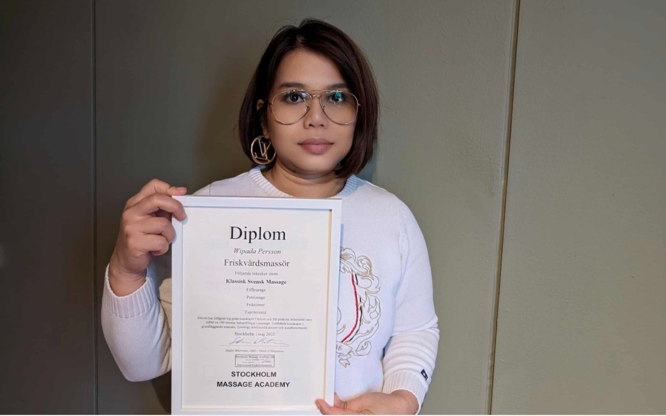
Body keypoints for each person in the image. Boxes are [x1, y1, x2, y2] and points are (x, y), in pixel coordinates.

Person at [102, 18, 438, 415]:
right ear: (263, 115)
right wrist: (126, 270)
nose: (316, 117)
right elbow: (141, 364)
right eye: (294, 97)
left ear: (359, 113)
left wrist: (403, 399)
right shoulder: (208, 213)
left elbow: (415, 330)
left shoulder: (391, 218)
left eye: (337, 97)